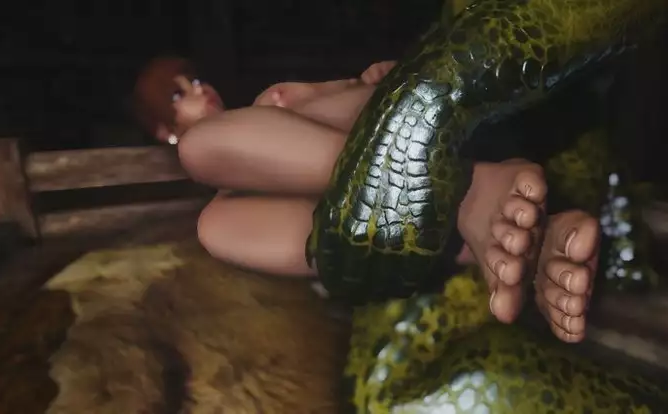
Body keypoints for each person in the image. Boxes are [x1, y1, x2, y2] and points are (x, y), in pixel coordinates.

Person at [132, 56, 599, 343]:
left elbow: (360, 92)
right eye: (178, 95)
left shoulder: (272, 101)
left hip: (414, 129)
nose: (199, 90)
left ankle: (468, 190)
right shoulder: (228, 208)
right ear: (163, 130)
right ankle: (526, 243)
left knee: (204, 148)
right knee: (213, 223)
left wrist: (373, 77)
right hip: (399, 223)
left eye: (194, 79)